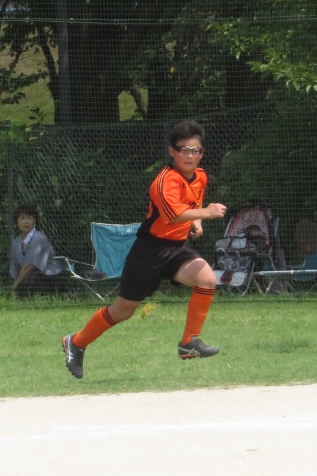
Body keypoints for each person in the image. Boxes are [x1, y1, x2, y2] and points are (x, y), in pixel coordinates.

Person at [61, 120, 227, 379]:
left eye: (196, 150)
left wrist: (197, 221)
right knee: (123, 311)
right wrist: (206, 213)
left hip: (177, 248)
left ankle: (188, 343)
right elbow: (172, 214)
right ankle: (76, 341)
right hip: (149, 251)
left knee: (206, 278)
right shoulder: (164, 181)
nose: (190, 156)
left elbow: (192, 201)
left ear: (202, 153)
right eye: (184, 150)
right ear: (172, 151)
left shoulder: (200, 176)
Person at [8, 205, 67, 296]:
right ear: (17, 222)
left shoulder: (39, 238)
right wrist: (13, 286)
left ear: (35, 221)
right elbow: (15, 268)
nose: (26, 222)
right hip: (29, 278)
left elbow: (29, 266)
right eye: (22, 218)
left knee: (32, 274)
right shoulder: (16, 242)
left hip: (49, 278)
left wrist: (14, 287)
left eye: (30, 218)